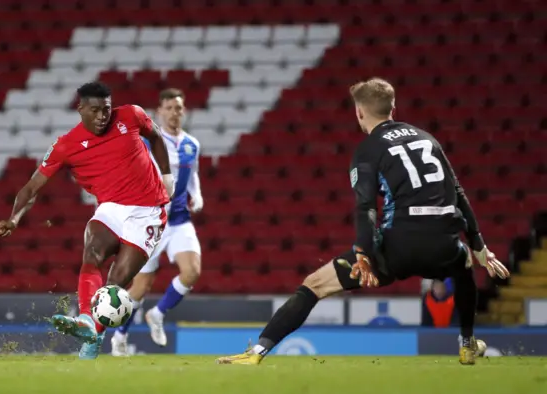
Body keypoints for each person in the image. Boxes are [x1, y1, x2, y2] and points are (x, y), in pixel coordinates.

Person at [215, 77, 510, 366]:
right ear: (393, 107)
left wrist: (363, 252)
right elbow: (458, 194)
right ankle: (468, 344)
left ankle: (258, 352)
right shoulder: (427, 138)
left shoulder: (368, 150)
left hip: (397, 249)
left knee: (314, 285)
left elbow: (366, 208)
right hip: (444, 245)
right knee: (466, 264)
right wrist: (480, 247)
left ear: (359, 112)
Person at [0, 82, 175, 360]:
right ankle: (87, 320)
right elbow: (32, 187)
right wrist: (14, 218)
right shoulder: (67, 145)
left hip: (147, 212)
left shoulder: (131, 115)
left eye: (106, 109)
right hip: (111, 208)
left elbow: (157, 137)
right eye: (95, 110)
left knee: (116, 281)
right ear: (80, 109)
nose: (103, 116)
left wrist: (167, 177)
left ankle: (94, 336)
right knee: (92, 250)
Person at [111, 88, 203, 356]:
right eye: (170, 108)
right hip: (151, 222)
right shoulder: (147, 142)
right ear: (159, 112)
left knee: (192, 271)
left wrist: (196, 195)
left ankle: (158, 314)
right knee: (140, 287)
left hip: (180, 221)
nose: (176, 112)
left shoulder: (191, 144)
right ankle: (119, 336)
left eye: (179, 108)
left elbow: (192, 173)